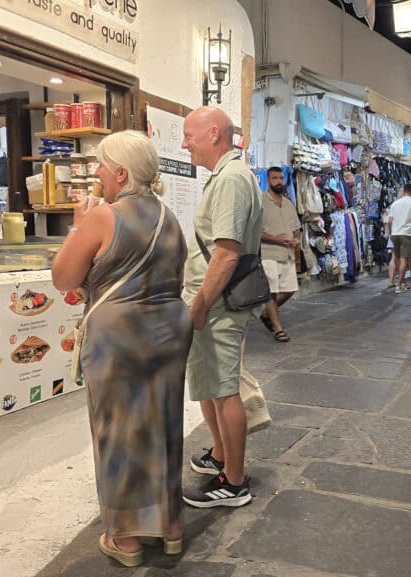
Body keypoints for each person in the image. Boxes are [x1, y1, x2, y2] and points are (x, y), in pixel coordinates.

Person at [50, 130, 192, 567]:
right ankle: (167, 526)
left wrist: (78, 221)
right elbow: (179, 276)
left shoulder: (102, 216)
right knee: (162, 425)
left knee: (118, 432)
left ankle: (126, 538)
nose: (96, 174)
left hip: (119, 337)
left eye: (101, 166)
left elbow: (63, 277)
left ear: (121, 173)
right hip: (169, 331)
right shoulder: (169, 216)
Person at [181, 107, 262, 509]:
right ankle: (220, 455)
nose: (184, 144)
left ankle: (233, 482)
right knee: (211, 385)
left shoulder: (231, 179)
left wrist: (199, 306)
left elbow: (226, 253)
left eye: (189, 135)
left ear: (214, 134)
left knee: (225, 389)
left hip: (218, 303)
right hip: (214, 301)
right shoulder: (230, 177)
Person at [257, 166, 301, 343]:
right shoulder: (261, 202)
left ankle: (266, 313)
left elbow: (297, 229)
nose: (279, 182)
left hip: (287, 254)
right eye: (274, 178)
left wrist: (296, 241)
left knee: (290, 289)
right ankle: (278, 328)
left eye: (281, 178)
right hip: (269, 253)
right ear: (268, 180)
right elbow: (254, 231)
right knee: (271, 293)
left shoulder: (289, 203)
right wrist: (275, 239)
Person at [386, 184, 411, 294]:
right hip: (406, 234)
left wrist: (391, 232)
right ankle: (399, 285)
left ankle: (396, 281)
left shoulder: (395, 204)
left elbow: (390, 221)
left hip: (395, 234)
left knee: (396, 257)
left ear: (404, 191)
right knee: (404, 260)